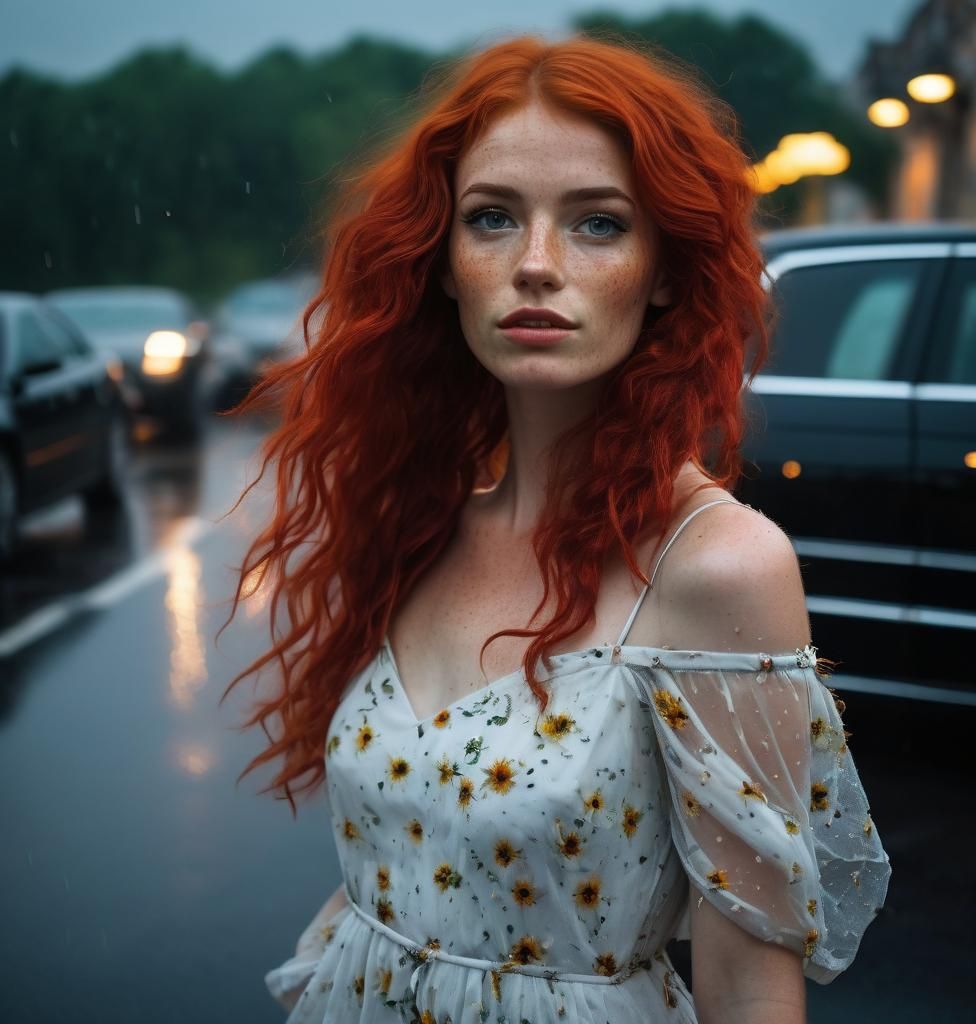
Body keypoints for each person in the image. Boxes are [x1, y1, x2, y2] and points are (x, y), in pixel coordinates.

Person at [221, 33, 891, 1024]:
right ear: (441, 263)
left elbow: (749, 986)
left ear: (663, 271)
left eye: (597, 224)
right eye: (491, 218)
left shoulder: (715, 565)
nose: (535, 265)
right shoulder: (422, 521)